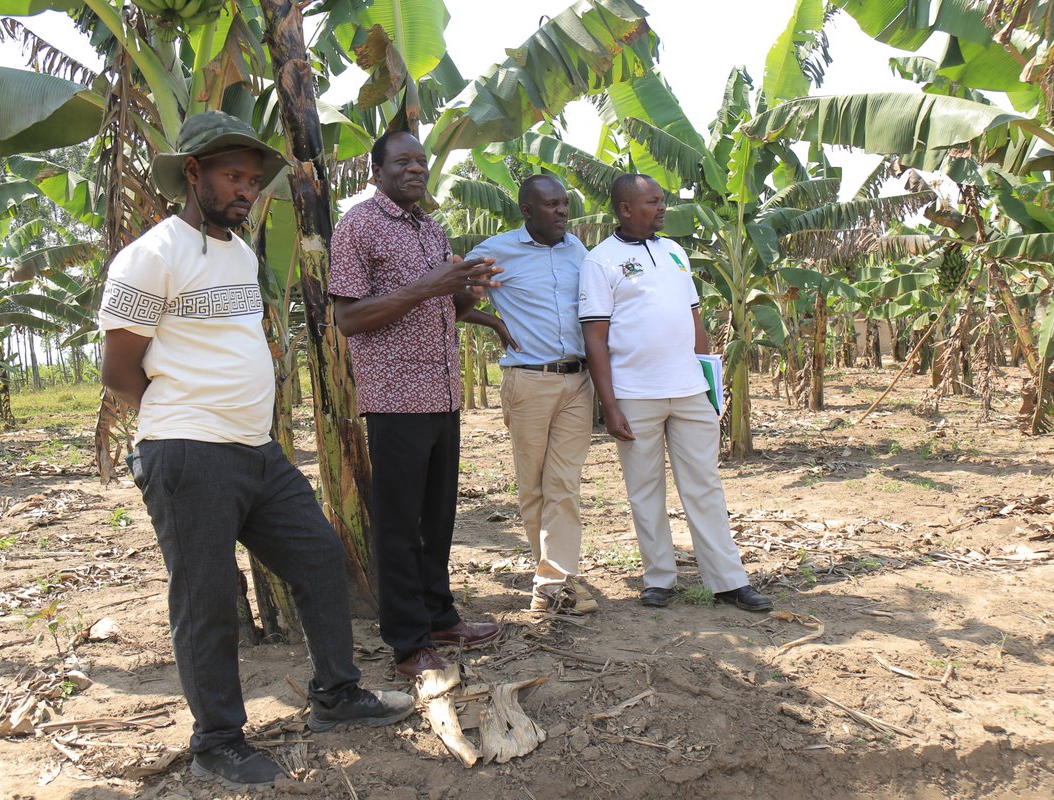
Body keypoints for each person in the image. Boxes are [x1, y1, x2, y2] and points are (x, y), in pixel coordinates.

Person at [99, 111, 414, 791]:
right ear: (193, 174)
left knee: (320, 558)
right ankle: (217, 740)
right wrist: (178, 425)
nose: (245, 190)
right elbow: (120, 369)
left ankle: (336, 695)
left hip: (254, 450)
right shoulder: (153, 255)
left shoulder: (240, 252)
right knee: (206, 598)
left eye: (251, 179)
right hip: (188, 451)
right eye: (231, 176)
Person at [329, 129, 505, 679]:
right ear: (375, 170)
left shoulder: (431, 227)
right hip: (395, 396)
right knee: (400, 523)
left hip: (442, 392)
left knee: (437, 517)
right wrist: (430, 286)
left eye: (421, 161)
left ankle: (439, 615)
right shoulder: (358, 225)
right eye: (402, 162)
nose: (416, 169)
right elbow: (348, 317)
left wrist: (470, 288)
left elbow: (445, 305)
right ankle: (407, 642)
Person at [578, 173, 773, 613]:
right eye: (653, 202)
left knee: (705, 485)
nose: (663, 208)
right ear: (626, 208)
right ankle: (658, 578)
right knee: (644, 490)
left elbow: (694, 322)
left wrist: (708, 385)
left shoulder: (674, 251)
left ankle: (728, 581)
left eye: (663, 200)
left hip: (688, 390)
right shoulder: (600, 261)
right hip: (635, 394)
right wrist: (608, 406)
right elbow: (594, 336)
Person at [466, 175, 598, 615]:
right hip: (529, 382)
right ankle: (557, 580)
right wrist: (494, 322)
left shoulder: (577, 249)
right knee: (534, 485)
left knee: (564, 485)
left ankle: (552, 583)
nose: (562, 212)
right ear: (526, 210)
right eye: (552, 205)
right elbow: (457, 297)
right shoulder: (497, 251)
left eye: (564, 204)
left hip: (578, 381)